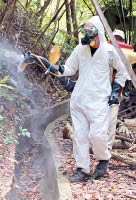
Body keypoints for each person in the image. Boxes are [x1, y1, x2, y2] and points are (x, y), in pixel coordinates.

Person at [50, 16, 127, 182]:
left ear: (99, 32)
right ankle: (82, 169)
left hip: (100, 101)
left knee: (98, 135)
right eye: (85, 32)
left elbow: (123, 71)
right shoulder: (80, 49)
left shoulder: (109, 51)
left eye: (91, 32)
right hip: (79, 100)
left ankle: (103, 160)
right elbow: (70, 68)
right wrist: (60, 69)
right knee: (79, 136)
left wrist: (116, 91)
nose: (87, 36)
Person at [107, 29, 132, 149]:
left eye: (119, 38)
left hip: (121, 82)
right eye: (115, 37)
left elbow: (126, 71)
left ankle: (119, 118)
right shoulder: (106, 49)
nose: (117, 40)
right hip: (107, 82)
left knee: (121, 100)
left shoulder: (127, 53)